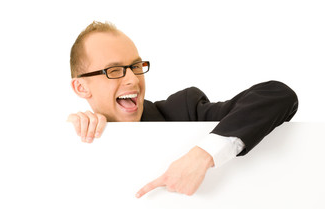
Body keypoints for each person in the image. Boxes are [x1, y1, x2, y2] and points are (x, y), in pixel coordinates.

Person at [67, 21, 298, 198]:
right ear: (81, 87)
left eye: (136, 66)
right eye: (114, 70)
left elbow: (277, 95)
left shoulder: (183, 111)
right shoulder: (71, 139)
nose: (133, 79)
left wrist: (203, 155)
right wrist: (74, 139)